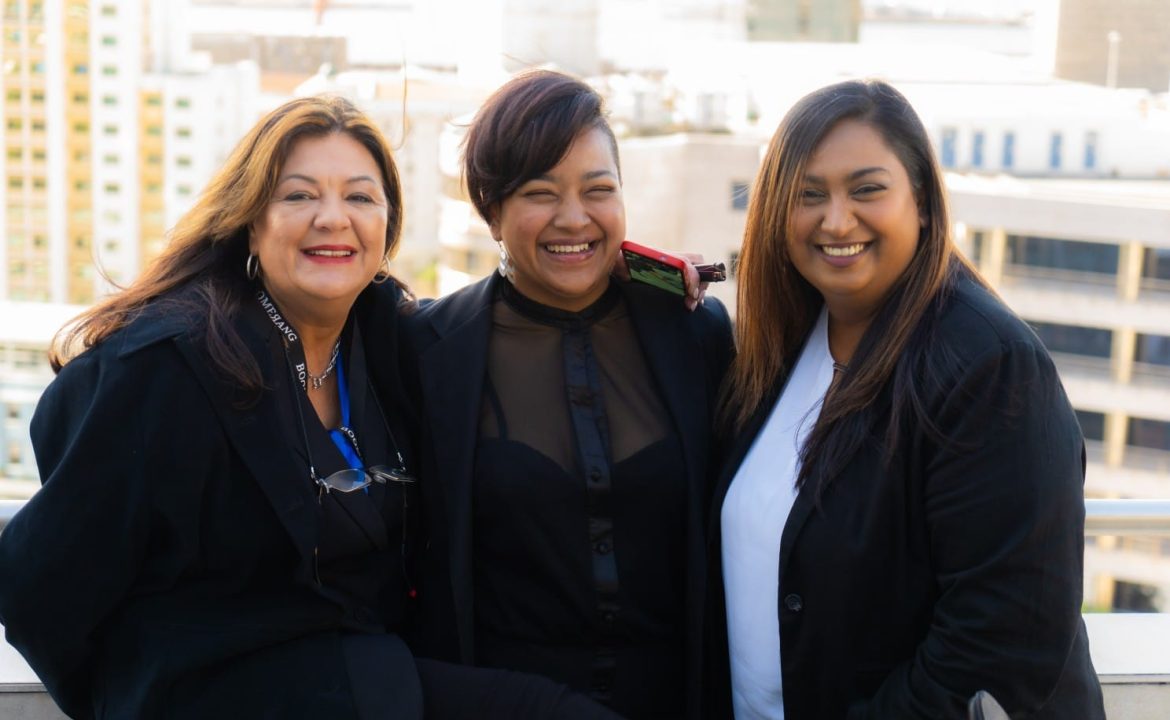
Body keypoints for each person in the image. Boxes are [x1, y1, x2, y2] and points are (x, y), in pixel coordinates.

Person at [0, 95, 619, 720]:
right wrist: (133, 697)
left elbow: (520, 308)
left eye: (360, 197)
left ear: (387, 224)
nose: (333, 218)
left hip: (363, 682)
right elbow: (37, 588)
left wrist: (651, 279)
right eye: (299, 196)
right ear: (251, 219)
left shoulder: (389, 343)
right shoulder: (167, 367)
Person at [711, 79, 1105, 719]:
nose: (836, 220)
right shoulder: (779, 349)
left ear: (920, 199)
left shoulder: (990, 367)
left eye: (866, 189)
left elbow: (999, 639)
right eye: (809, 195)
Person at [391, 70, 735, 720]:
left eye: (598, 190)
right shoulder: (427, 352)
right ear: (490, 210)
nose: (574, 217)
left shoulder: (696, 336)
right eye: (540, 193)